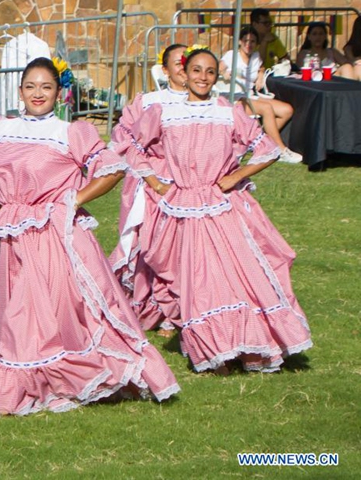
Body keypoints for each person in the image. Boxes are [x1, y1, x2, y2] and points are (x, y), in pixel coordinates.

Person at [0, 57, 180, 415]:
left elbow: (111, 168)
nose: (37, 93)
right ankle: (31, 378)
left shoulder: (72, 131)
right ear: (20, 90)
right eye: (30, 86)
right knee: (21, 311)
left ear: (60, 92)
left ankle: (81, 373)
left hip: (57, 233)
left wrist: (73, 201)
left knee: (66, 306)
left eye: (46, 86)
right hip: (14, 233)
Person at [125, 48, 312, 374]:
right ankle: (209, 348)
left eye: (209, 72)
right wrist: (156, 183)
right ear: (184, 72)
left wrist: (237, 176)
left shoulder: (228, 112)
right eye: (196, 70)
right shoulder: (164, 112)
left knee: (231, 276)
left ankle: (241, 343)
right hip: (183, 206)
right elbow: (133, 146)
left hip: (221, 207)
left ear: (217, 77)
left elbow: (266, 148)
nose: (202, 77)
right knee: (195, 280)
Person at [109, 44, 188, 335]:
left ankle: (177, 309)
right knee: (151, 245)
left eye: (187, 63)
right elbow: (124, 136)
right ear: (165, 70)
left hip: (187, 180)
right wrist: (149, 175)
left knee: (183, 245)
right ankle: (152, 305)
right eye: (177, 64)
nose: (183, 68)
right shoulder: (150, 101)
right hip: (153, 178)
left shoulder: (205, 103)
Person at [219, 28, 302, 164]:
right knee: (266, 108)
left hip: (251, 95)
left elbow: (261, 67)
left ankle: (259, 141)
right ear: (240, 41)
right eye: (246, 41)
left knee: (287, 110)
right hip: (235, 96)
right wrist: (224, 73)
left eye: (252, 41)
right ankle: (279, 150)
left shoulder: (256, 56)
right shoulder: (231, 55)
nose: (249, 44)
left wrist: (261, 74)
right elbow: (218, 68)